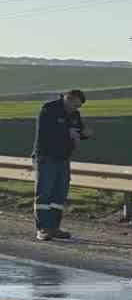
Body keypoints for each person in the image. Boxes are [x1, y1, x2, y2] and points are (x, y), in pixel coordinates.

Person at [31, 89, 91, 240]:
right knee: (45, 193)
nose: (75, 109)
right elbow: (46, 131)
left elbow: (77, 130)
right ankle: (43, 229)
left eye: (78, 107)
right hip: (46, 157)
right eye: (74, 105)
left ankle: (54, 227)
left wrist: (84, 134)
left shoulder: (75, 114)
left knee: (59, 194)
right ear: (68, 99)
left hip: (63, 158)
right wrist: (67, 133)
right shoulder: (49, 109)